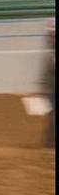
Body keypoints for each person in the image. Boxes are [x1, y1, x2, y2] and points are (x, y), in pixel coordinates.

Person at [40, 18, 55, 149]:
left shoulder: (50, 54)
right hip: (51, 90)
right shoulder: (50, 55)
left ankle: (49, 142)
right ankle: (50, 143)